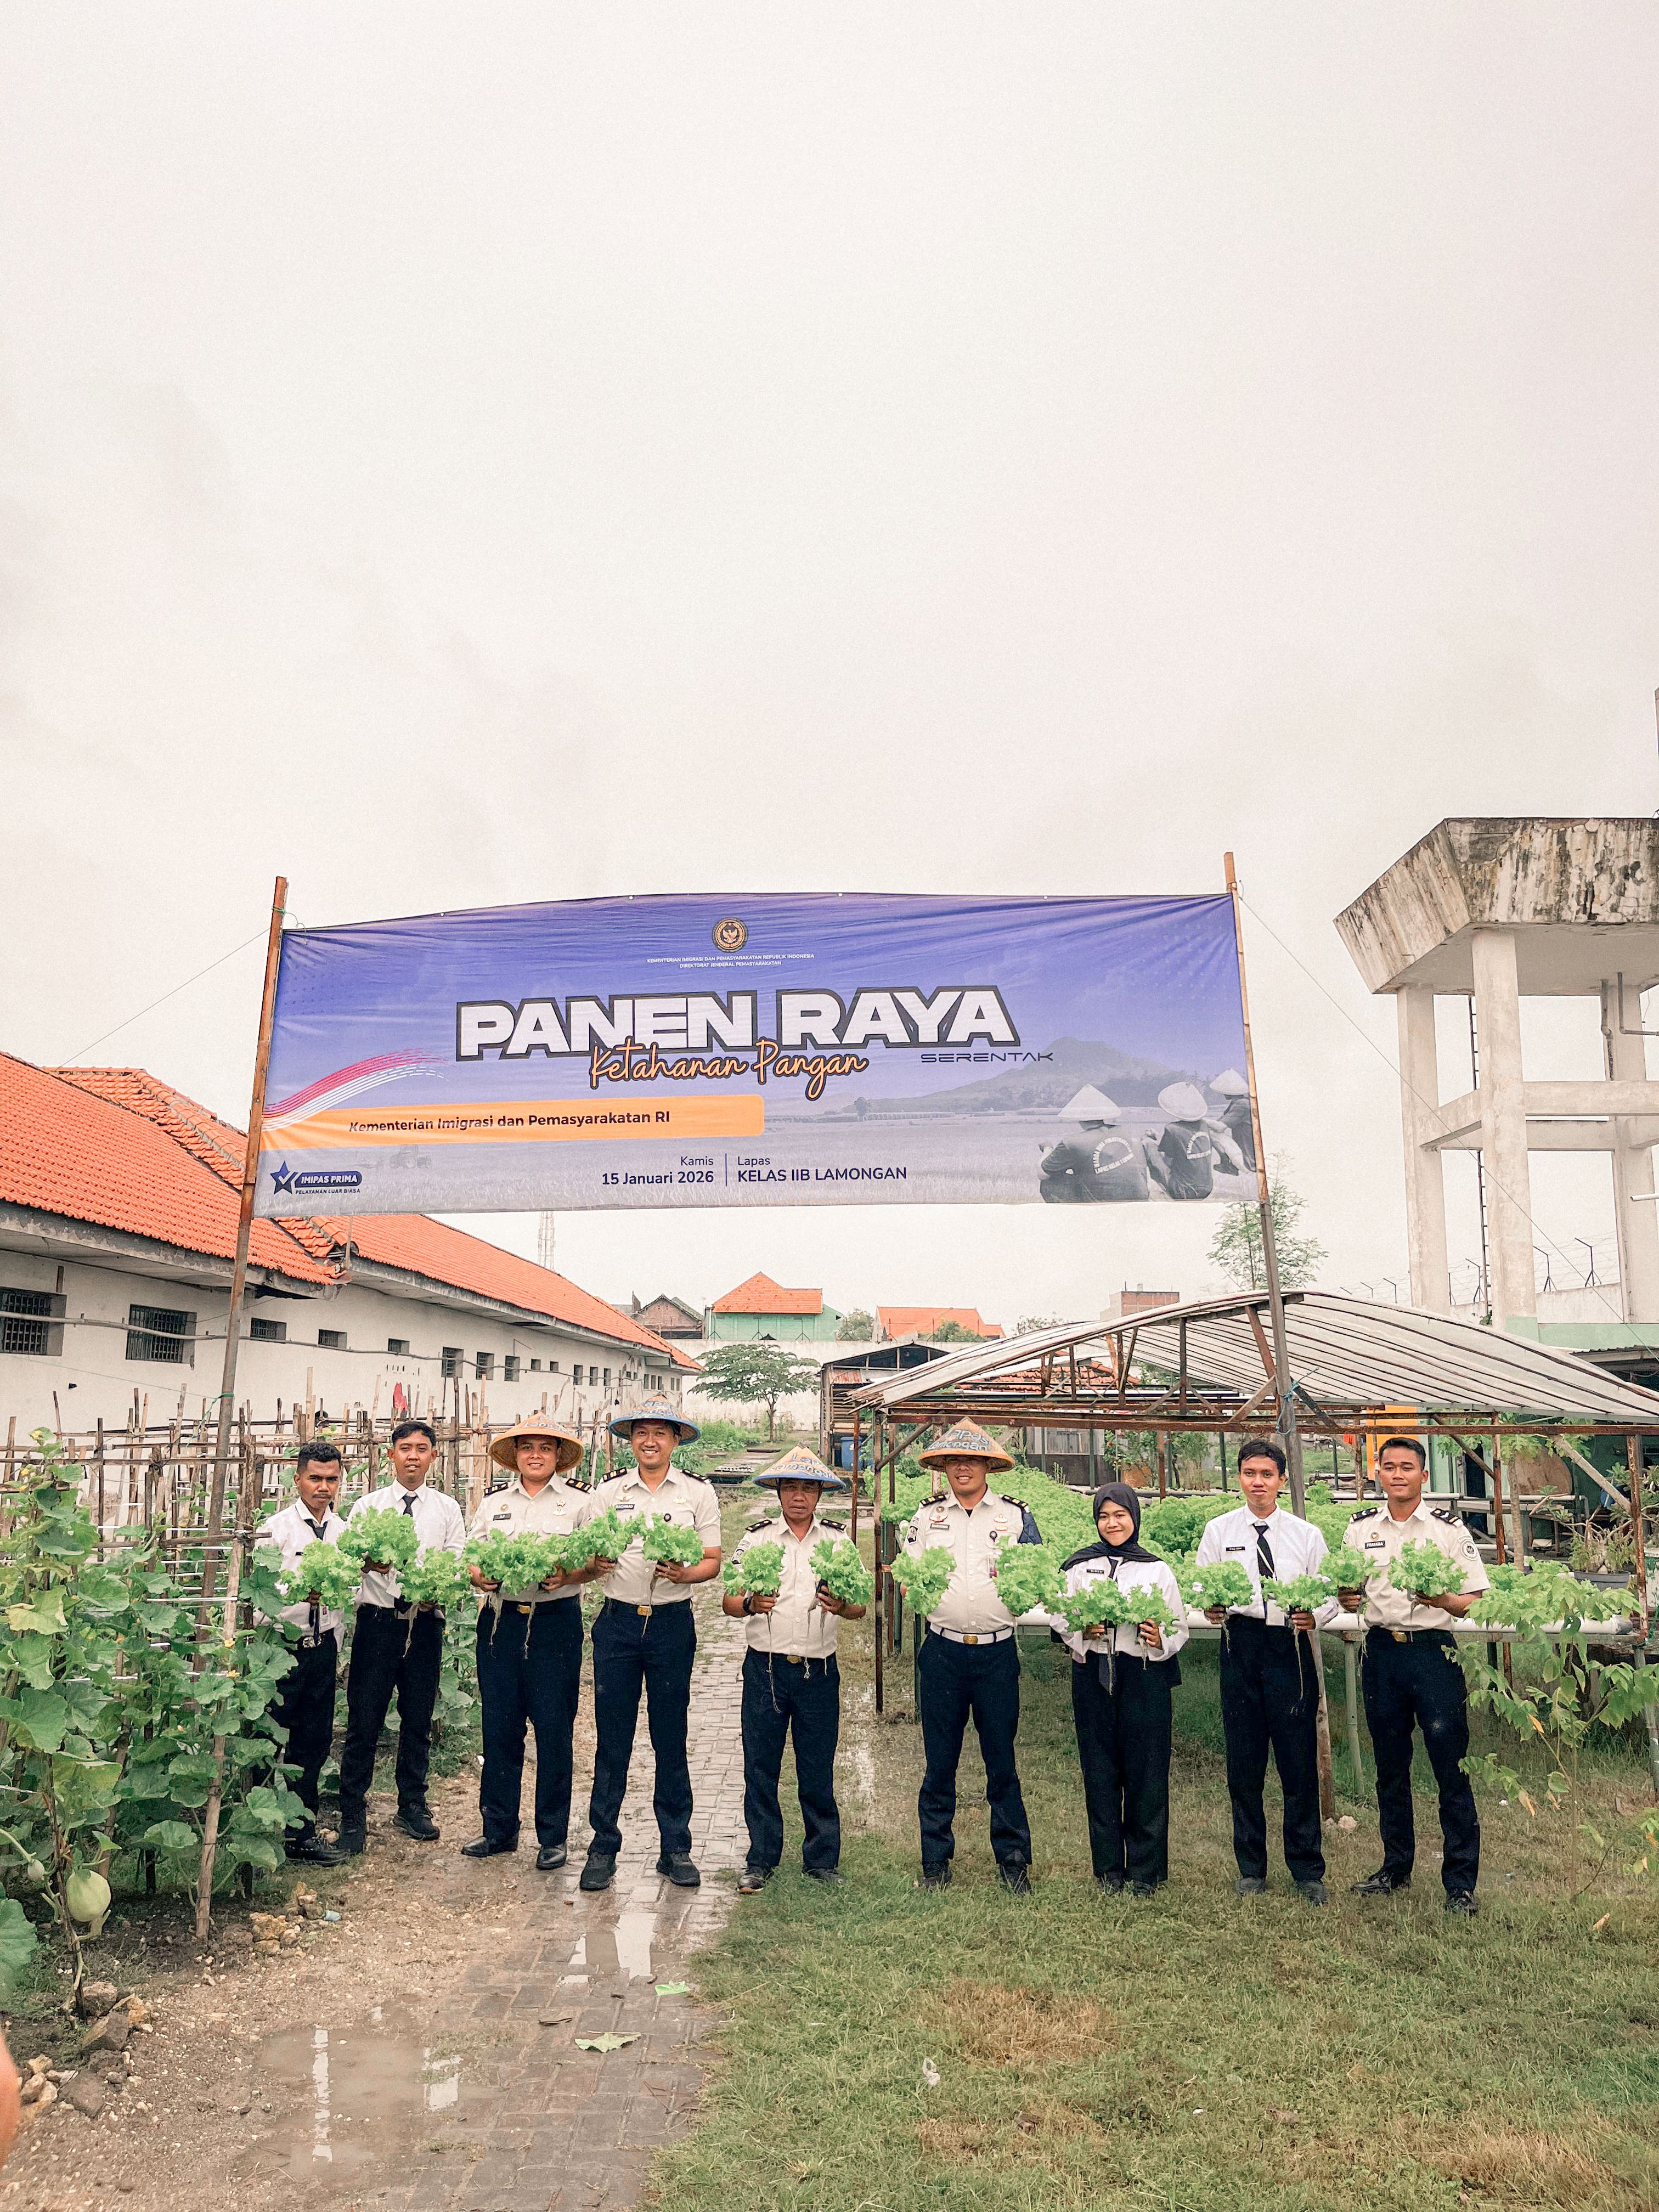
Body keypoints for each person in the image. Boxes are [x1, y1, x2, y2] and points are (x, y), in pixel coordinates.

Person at [568, 1397, 721, 1893]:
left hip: (672, 1625)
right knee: (613, 1739)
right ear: (630, 1441)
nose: (650, 1441)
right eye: (641, 1433)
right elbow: (587, 1556)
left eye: (661, 1432)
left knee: (669, 1735)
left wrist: (686, 1572)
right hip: (617, 1624)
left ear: (676, 1441)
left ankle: (675, 1847)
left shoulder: (697, 1494)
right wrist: (594, 1565)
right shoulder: (608, 1493)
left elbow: (712, 1561)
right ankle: (602, 1847)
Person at [1338, 1435, 1489, 1915]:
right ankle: (1395, 1867)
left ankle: (1460, 1884)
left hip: (1433, 1655)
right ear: (1377, 1473)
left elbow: (1470, 1600)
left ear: (1424, 1476)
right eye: (1389, 1467)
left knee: (1451, 1767)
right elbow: (1348, 1589)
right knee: (1390, 1767)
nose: (1397, 1474)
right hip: (1382, 1653)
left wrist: (1443, 1600)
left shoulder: (1447, 1530)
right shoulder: (1360, 1529)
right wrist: (1346, 1598)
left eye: (1408, 1467)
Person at [902, 1419, 1041, 1894]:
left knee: (1000, 1760)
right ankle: (935, 1862)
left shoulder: (1016, 1516)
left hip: (997, 1655)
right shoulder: (925, 1517)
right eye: (954, 1460)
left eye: (973, 1459)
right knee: (939, 1763)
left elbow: (1035, 1575)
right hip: (941, 1652)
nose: (963, 1467)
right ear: (944, 1467)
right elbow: (909, 1575)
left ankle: (1014, 1861)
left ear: (988, 1466)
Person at [1194, 1438, 1334, 1903]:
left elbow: (1330, 1590)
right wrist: (1211, 1606)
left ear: (1280, 1481)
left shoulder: (1305, 1534)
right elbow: (1201, 1583)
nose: (1258, 1483)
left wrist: (1316, 1616)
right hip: (1241, 1644)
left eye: (1267, 1475)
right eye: (1250, 1474)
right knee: (1244, 1764)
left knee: (1298, 1766)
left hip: (1289, 1648)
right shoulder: (1219, 1530)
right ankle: (1251, 1867)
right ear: (1239, 1477)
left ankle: (1307, 1870)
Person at [724, 1446, 866, 1894]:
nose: (799, 1496)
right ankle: (761, 1859)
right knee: (760, 1767)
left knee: (816, 1766)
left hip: (818, 1671)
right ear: (779, 1492)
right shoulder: (758, 1539)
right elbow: (729, 1601)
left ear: (821, 1494)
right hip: (765, 1669)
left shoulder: (838, 1542)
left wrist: (842, 1606)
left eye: (808, 1488)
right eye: (791, 1487)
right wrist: (749, 1603)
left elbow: (861, 1606)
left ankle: (822, 1860)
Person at [461, 1417, 590, 1870]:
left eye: (545, 1448)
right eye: (527, 1447)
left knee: (554, 1729)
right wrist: (482, 1576)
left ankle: (552, 1836)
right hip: (501, 1624)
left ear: (558, 1457)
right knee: (500, 1726)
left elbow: (597, 1561)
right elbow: (472, 1557)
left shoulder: (579, 1504)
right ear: (515, 1456)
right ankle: (498, 1829)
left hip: (555, 1622)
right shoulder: (494, 1503)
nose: (536, 1455)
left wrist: (569, 1575)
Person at [335, 1418, 467, 1854]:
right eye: (405, 1448)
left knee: (418, 1719)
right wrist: (366, 1567)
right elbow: (346, 1564)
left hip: (425, 1622)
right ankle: (352, 1811)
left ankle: (412, 1804)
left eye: (422, 1448)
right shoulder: (367, 1508)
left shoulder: (447, 1509)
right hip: (377, 1624)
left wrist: (435, 1593)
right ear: (390, 1456)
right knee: (364, 1720)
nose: (413, 1455)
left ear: (433, 1456)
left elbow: (456, 1562)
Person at [1054, 1484, 1187, 1895]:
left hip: (1143, 1676)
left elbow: (1178, 1625)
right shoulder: (1079, 1566)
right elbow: (1060, 1617)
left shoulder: (1156, 1569)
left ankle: (1146, 1872)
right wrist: (1082, 1628)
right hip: (1093, 1675)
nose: (1112, 1524)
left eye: (1120, 1515)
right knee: (1099, 1770)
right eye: (1104, 1516)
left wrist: (1158, 1635)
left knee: (1146, 1773)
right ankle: (1109, 1869)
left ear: (1135, 1518)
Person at [256, 1439, 350, 1865]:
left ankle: (301, 1834)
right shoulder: (275, 1530)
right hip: (281, 1647)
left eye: (331, 1479)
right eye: (315, 1478)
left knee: (313, 1742)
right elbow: (259, 1596)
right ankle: (256, 1831)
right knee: (265, 1739)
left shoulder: (343, 1531)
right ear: (298, 1479)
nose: (323, 1487)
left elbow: (351, 1592)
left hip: (322, 1647)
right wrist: (299, 1596)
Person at [1039, 1086, 1149, 1204]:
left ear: (1078, 1117)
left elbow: (1042, 1174)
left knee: (1049, 1180)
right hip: (1140, 1197)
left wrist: (1047, 1148)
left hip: (1103, 1203)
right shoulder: (1123, 1131)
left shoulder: (1072, 1142)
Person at [1143, 1081, 1222, 1200]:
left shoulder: (1172, 1129)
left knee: (1147, 1144)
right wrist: (1160, 1138)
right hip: (1207, 1188)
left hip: (1183, 1191)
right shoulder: (1204, 1125)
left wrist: (1154, 1145)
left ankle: (1146, 1191)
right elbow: (1184, 1144)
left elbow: (1168, 1162)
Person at [1208, 1068, 1256, 1171]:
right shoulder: (1237, 1102)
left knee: (1212, 1134)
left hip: (1249, 1155)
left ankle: (1228, 1164)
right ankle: (1228, 1163)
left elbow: (1219, 1127)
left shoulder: (1242, 1104)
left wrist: (1199, 1118)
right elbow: (1220, 1121)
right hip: (1245, 1146)